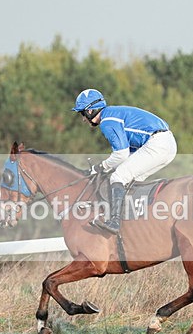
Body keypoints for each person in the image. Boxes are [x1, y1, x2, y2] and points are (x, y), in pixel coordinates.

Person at [72, 88, 177, 234]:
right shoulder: (113, 114)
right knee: (131, 180)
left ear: (90, 111)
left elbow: (121, 154)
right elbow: (127, 154)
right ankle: (134, 221)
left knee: (118, 177)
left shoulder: (107, 122)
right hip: (168, 143)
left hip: (158, 143)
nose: (83, 119)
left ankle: (115, 221)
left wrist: (100, 167)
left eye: (83, 113)